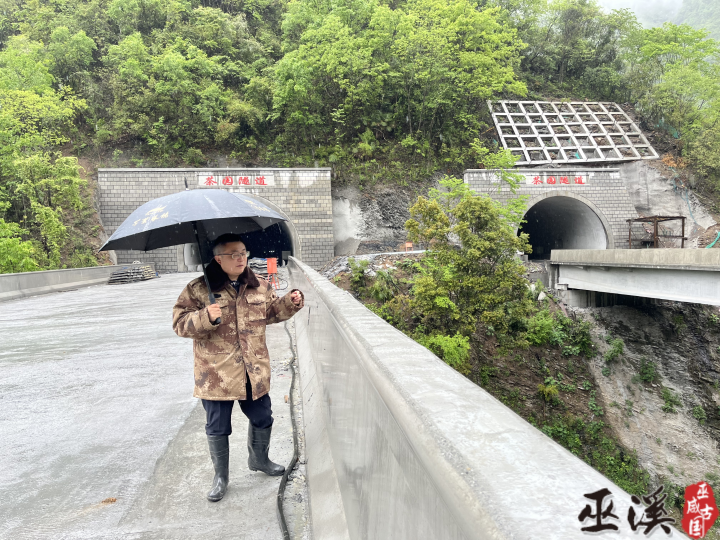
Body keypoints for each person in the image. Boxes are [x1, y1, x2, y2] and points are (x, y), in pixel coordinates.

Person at [172, 233, 304, 502]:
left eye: (243, 252)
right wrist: (204, 317)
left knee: (263, 417)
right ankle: (221, 477)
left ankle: (259, 459)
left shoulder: (259, 285)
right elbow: (179, 324)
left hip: (252, 370)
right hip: (216, 374)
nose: (241, 258)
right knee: (218, 427)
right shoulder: (198, 289)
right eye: (233, 254)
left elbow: (270, 313)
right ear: (218, 259)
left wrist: (289, 303)